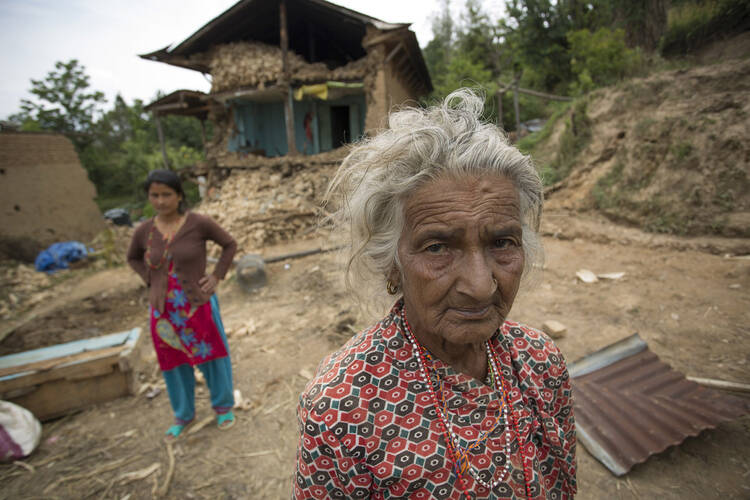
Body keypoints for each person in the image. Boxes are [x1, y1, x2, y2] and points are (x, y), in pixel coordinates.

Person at [293, 90, 576, 499]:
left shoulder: (540, 363)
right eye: (438, 247)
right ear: (392, 262)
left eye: (502, 242)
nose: (481, 285)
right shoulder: (340, 408)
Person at [127, 169, 237, 439]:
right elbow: (133, 258)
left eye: (167, 194)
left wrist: (216, 276)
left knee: (212, 356)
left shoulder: (197, 223)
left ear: (178, 196)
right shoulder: (144, 231)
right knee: (173, 363)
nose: (160, 201)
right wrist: (149, 280)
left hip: (197, 305)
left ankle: (223, 407)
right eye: (154, 195)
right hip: (163, 312)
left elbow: (229, 245)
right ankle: (183, 414)